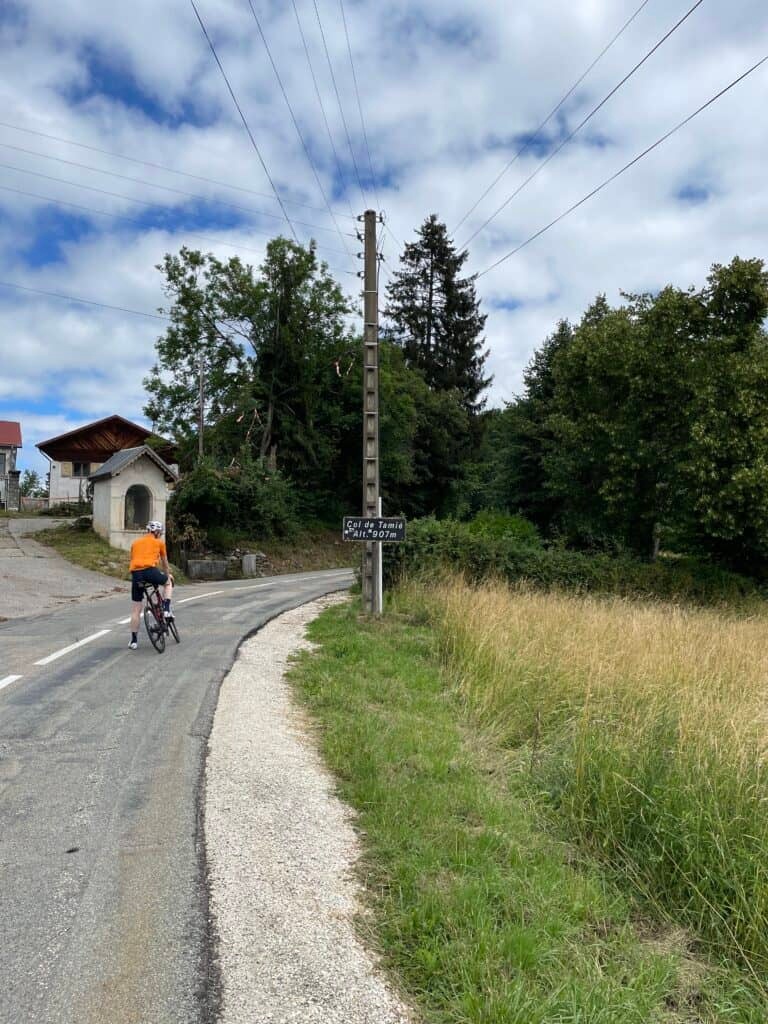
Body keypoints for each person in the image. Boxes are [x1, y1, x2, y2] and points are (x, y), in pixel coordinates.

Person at [128, 520, 174, 650]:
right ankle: (166, 609)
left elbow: (133, 559)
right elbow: (164, 563)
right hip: (150, 571)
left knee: (136, 609)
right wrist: (168, 575)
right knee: (167, 583)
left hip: (136, 574)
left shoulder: (135, 543)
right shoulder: (159, 542)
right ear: (157, 532)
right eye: (160, 532)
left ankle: (133, 641)